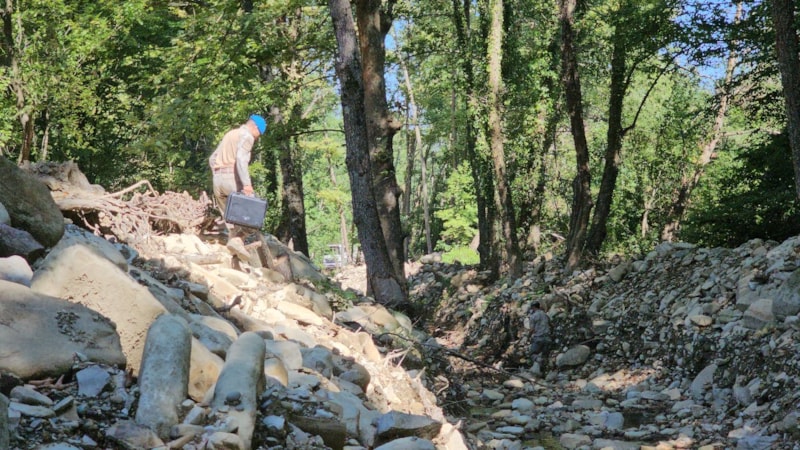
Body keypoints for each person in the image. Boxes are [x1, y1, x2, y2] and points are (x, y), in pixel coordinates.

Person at [526, 301, 551, 375]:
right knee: (545, 355)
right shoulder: (545, 314)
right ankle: (545, 373)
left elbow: (532, 329)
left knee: (532, 354)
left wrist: (528, 337)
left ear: (533, 307)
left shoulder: (533, 316)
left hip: (538, 338)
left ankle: (539, 362)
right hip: (547, 338)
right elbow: (550, 324)